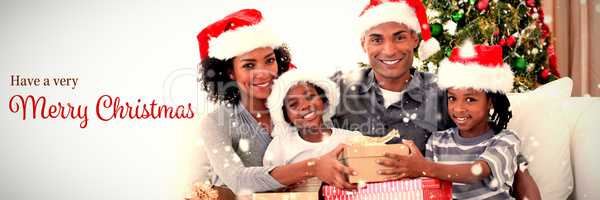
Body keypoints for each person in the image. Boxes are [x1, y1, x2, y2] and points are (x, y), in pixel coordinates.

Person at [330, 0, 540, 198]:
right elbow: (301, 134)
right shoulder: (337, 90)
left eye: (400, 37)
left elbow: (511, 162)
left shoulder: (447, 92)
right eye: (376, 39)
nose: (389, 50)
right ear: (363, 43)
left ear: (415, 38)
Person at [192, 8, 355, 199]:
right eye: (249, 65)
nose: (264, 73)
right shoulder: (215, 123)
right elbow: (239, 181)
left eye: (269, 61)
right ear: (229, 72)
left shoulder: (304, 108)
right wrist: (313, 166)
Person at [378, 43, 541, 199]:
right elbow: (430, 188)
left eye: (470, 99)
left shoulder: (505, 140)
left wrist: (423, 167)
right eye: (452, 98)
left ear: (490, 101)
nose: (458, 108)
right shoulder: (437, 141)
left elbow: (475, 172)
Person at [263, 69, 386, 192]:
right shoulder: (280, 146)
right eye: (294, 104)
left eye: (310, 96)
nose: (305, 106)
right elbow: (267, 186)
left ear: (323, 99)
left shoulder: (351, 139)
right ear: (286, 115)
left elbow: (377, 169)